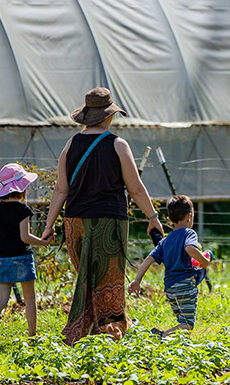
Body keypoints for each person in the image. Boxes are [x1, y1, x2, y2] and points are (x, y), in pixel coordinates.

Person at [41, 87, 165, 345]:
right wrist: (153, 216)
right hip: (109, 221)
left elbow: (61, 188)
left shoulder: (71, 144)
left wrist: (49, 224)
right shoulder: (118, 145)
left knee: (86, 276)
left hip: (75, 222)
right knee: (108, 279)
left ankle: (86, 327)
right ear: (109, 116)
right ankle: (109, 328)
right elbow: (135, 188)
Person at [0, 163, 54, 346]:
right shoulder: (23, 210)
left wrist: (4, 249)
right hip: (22, 256)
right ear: (22, 188)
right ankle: (32, 335)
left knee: (2, 298)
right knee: (29, 298)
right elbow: (25, 237)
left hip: (1, 257)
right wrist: (43, 242)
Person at [128, 195, 212, 338]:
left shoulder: (165, 241)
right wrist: (204, 261)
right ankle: (162, 336)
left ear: (171, 218)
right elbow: (190, 249)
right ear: (189, 216)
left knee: (182, 320)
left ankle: (172, 339)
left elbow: (149, 259)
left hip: (170, 288)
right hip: (185, 285)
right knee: (187, 324)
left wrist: (137, 281)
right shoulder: (189, 233)